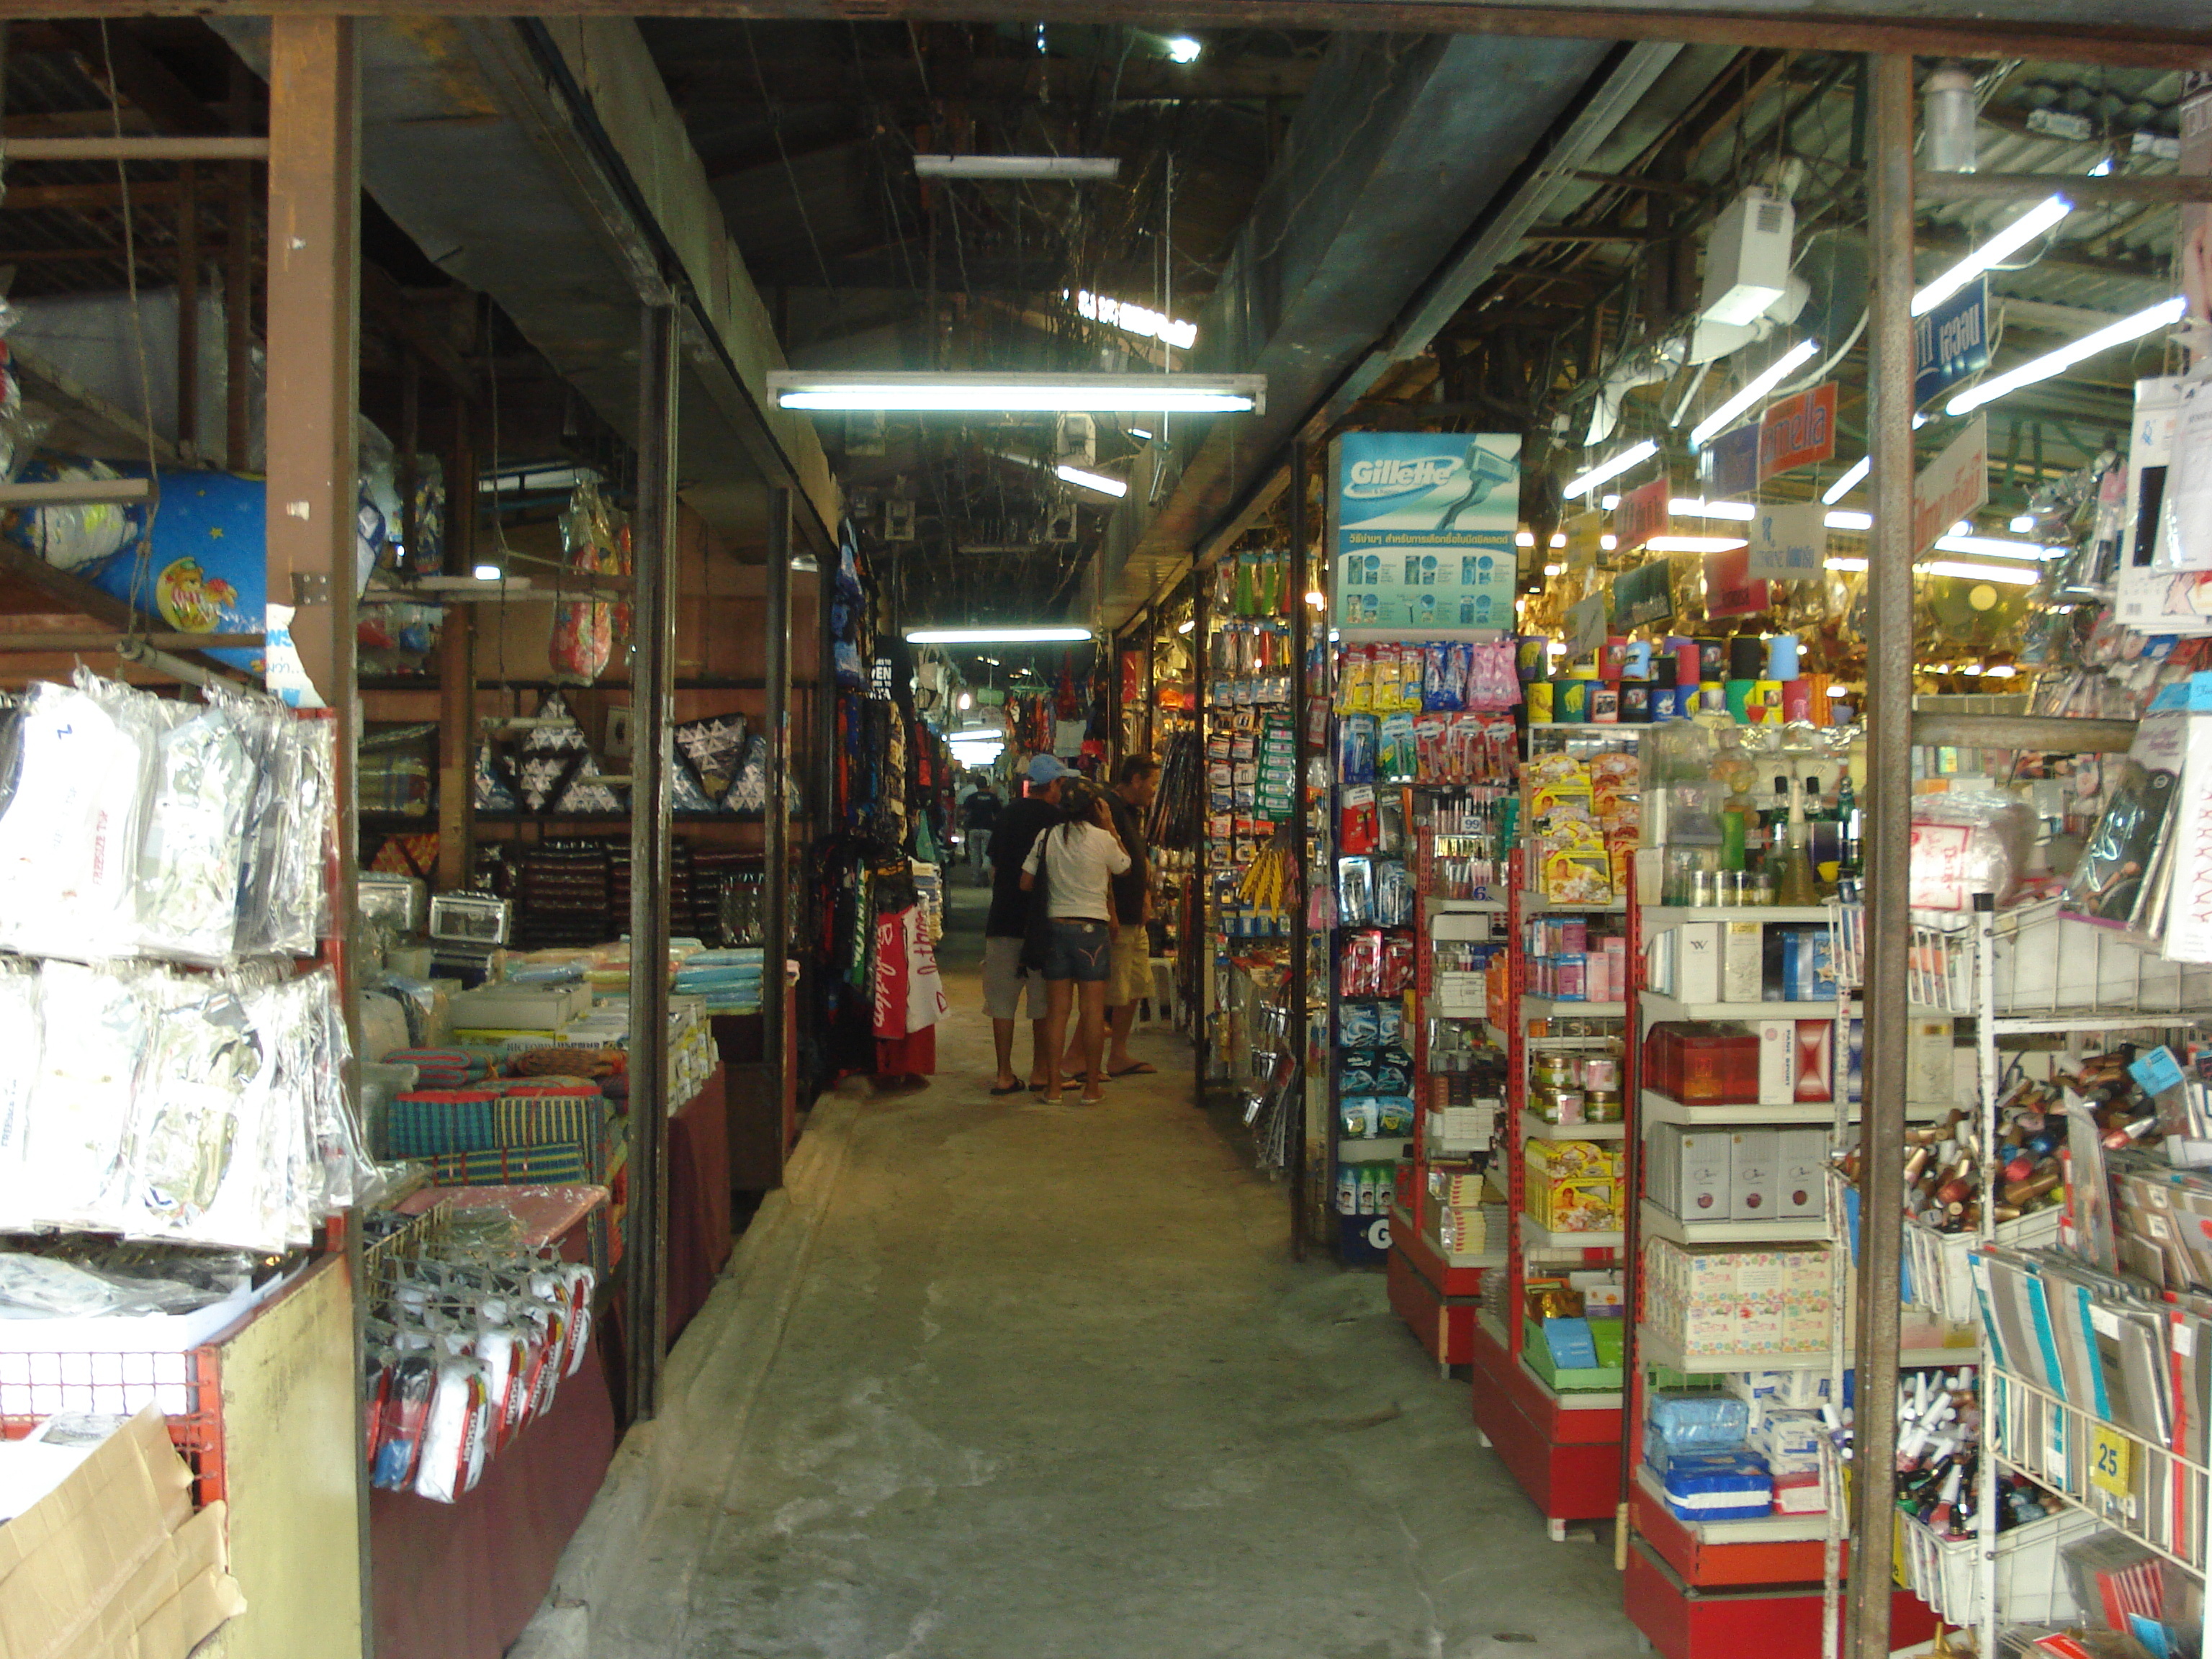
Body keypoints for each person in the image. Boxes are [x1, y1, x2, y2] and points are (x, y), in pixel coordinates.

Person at [1021, 777, 1130, 1105]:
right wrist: (1111, 827)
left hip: (1055, 930)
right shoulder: (1102, 839)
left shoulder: (1047, 837)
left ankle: (1054, 1088)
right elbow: (1125, 868)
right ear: (1095, 807)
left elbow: (1025, 882)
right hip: (1092, 932)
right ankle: (1092, 1088)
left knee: (1057, 1013)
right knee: (1093, 1012)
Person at [1064, 755, 1159, 1079]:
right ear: (1135, 780)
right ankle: (1075, 1057)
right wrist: (1113, 913)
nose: (1154, 791)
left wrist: (1144, 894)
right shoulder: (1106, 808)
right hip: (1116, 915)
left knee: (1132, 988)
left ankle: (1118, 1054)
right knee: (1105, 993)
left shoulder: (1133, 812)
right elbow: (1104, 864)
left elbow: (1136, 859)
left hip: (1135, 913)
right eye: (1152, 783)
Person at [981, 754, 1066, 1095]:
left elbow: (996, 868)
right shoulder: (1059, 821)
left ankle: (1004, 1074)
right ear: (1055, 784)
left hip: (1003, 918)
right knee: (1042, 1002)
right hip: (1042, 924)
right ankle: (1040, 1071)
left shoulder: (1007, 814)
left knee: (1002, 1001)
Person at [961, 774, 1002, 886]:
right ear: (987, 785)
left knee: (974, 854)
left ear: (976, 785)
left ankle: (976, 879)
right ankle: (985, 871)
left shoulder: (972, 797)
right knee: (986, 853)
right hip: (988, 829)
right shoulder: (993, 798)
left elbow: (963, 812)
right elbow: (999, 814)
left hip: (973, 829)